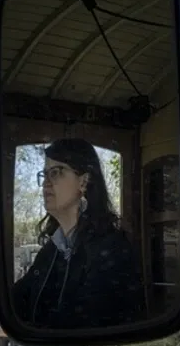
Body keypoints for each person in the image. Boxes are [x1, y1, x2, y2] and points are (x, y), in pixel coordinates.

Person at [13, 137, 143, 328]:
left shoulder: (111, 249)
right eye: (45, 174)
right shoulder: (50, 251)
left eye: (56, 173)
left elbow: (88, 320)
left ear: (83, 182)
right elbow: (18, 301)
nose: (46, 183)